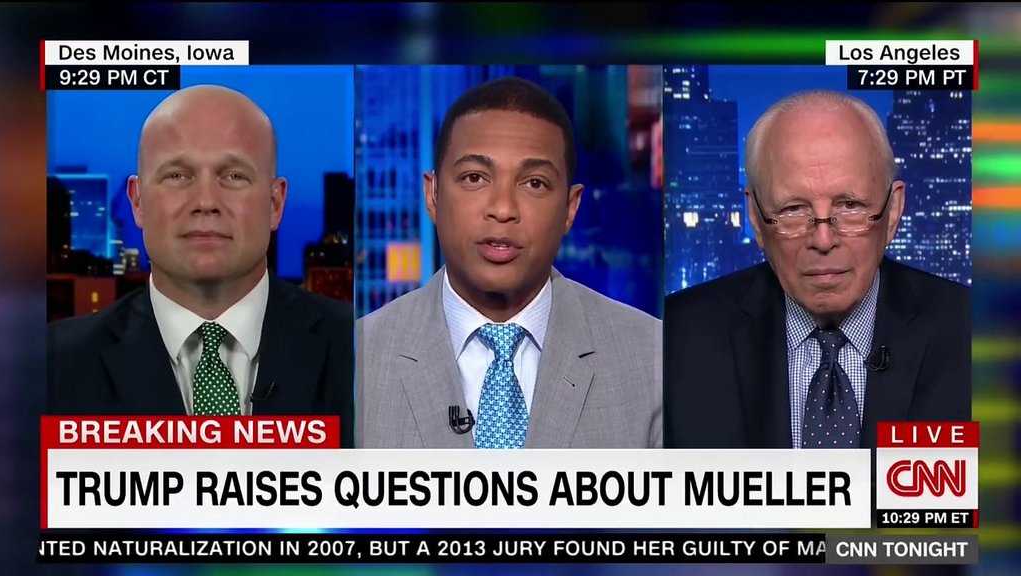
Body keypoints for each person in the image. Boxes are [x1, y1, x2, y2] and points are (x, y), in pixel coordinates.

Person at [356, 76, 661, 449]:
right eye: (474, 177)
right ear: (432, 194)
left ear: (570, 208)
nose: (502, 209)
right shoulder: (357, 359)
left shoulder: (654, 359)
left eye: (534, 183)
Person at [47, 85, 354, 446]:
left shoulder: (365, 350)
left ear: (275, 203)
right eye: (177, 175)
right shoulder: (49, 366)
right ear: (137, 201)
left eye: (234, 176)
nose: (206, 201)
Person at [663, 90, 970, 449]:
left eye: (850, 205)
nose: (823, 240)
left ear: (893, 211)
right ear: (756, 218)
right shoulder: (675, 339)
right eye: (793, 210)